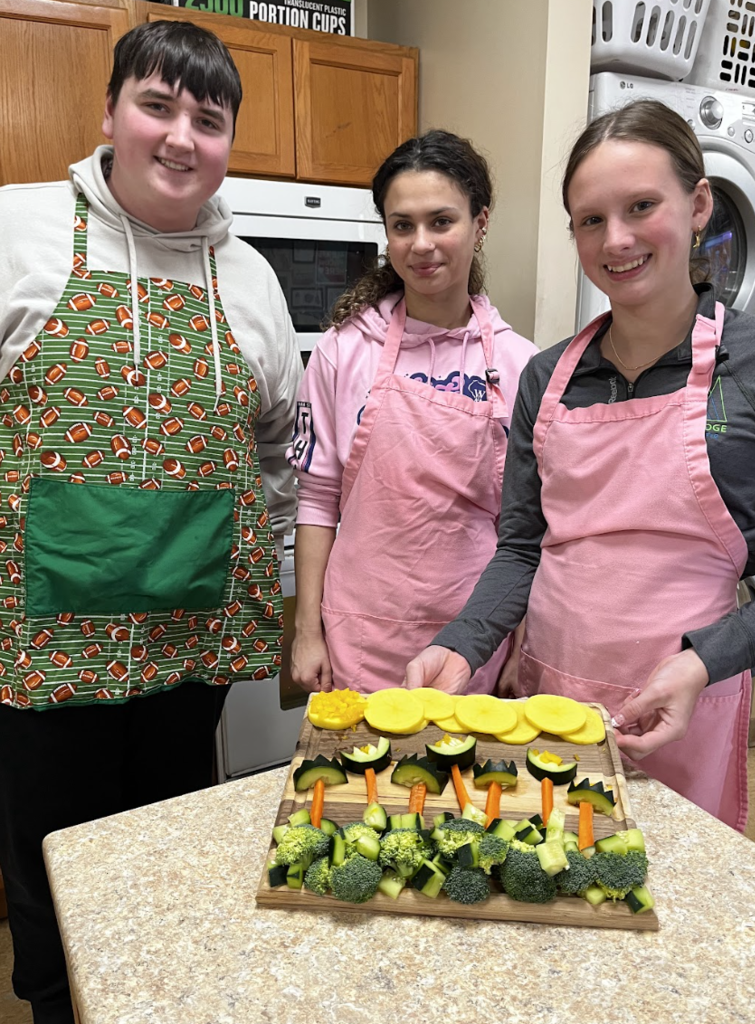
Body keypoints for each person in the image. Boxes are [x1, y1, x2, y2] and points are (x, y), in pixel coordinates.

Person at [0, 21, 301, 1024]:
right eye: (157, 105)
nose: (181, 137)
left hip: (191, 633)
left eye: (208, 120)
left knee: (165, 851)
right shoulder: (19, 231)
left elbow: (273, 457)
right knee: (50, 856)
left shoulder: (250, 279)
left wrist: (290, 588)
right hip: (46, 636)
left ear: (228, 143)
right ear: (110, 114)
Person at [405, 99, 755, 833]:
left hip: (685, 696)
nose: (615, 239)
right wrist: (460, 646)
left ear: (698, 204)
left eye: (641, 206)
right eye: (589, 219)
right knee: (545, 876)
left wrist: (708, 660)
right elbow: (521, 547)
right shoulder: (545, 378)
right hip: (548, 696)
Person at [288, 130, 538, 695]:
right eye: (403, 225)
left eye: (441, 221)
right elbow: (317, 497)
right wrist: (307, 631)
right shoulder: (342, 350)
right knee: (363, 783)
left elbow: (525, 530)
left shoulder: (523, 366)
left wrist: (522, 638)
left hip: (477, 637)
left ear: (481, 223)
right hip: (361, 634)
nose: (421, 243)